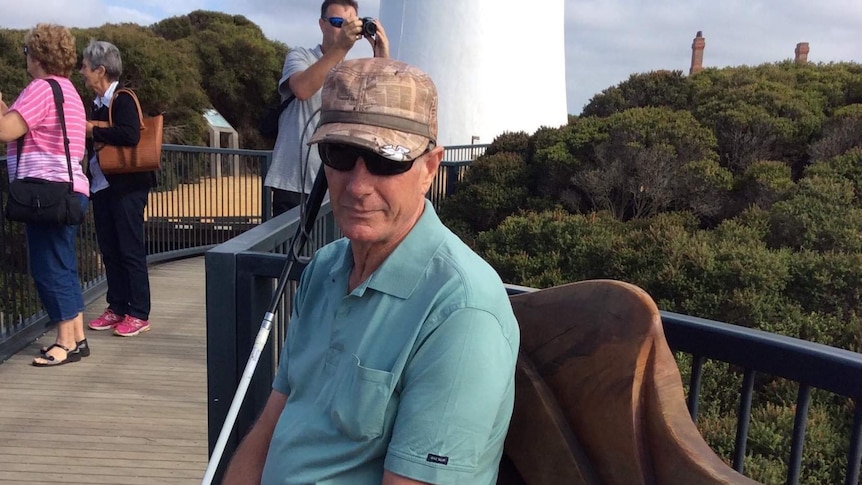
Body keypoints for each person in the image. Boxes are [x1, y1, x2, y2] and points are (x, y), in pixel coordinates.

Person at [224, 58, 520, 484]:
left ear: (429, 168)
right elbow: (273, 423)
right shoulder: (324, 267)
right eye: (340, 154)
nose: (358, 186)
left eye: (387, 160)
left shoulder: (461, 310)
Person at [0, 24, 90, 366]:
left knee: (48, 268)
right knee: (63, 265)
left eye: (26, 52)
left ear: (37, 55)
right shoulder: (67, 90)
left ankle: (64, 343)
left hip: (45, 191)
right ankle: (77, 337)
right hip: (67, 191)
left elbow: (6, 130)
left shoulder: (40, 88)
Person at [264, 0, 390, 216]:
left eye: (351, 25)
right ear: (322, 25)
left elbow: (379, 106)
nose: (344, 30)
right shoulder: (300, 56)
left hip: (336, 185)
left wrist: (382, 57)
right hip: (294, 184)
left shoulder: (355, 71)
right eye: (337, 22)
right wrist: (340, 48)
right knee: (290, 249)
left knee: (330, 251)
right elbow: (303, 88)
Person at [79, 40, 156, 338]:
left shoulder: (122, 99)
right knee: (110, 249)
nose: (82, 72)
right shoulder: (96, 104)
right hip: (102, 185)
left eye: (85, 67)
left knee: (130, 249)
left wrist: (92, 130)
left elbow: (129, 133)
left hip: (127, 186)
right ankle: (117, 306)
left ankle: (138, 312)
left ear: (101, 70)